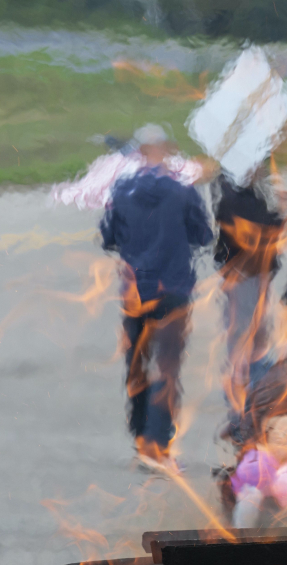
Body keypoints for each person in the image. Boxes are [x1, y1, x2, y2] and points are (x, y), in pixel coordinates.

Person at [100, 124, 214, 473]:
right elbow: (204, 235)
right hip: (173, 290)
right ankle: (157, 446)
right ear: (165, 151)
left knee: (136, 364)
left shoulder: (121, 190)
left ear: (140, 153)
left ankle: (140, 440)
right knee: (166, 369)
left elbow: (108, 237)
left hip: (134, 291)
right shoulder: (182, 192)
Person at [214, 172, 287, 445]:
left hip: (252, 278)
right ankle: (242, 420)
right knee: (244, 349)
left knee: (252, 345)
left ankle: (245, 416)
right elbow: (260, 237)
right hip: (246, 280)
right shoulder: (238, 199)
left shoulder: (243, 194)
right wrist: (282, 214)